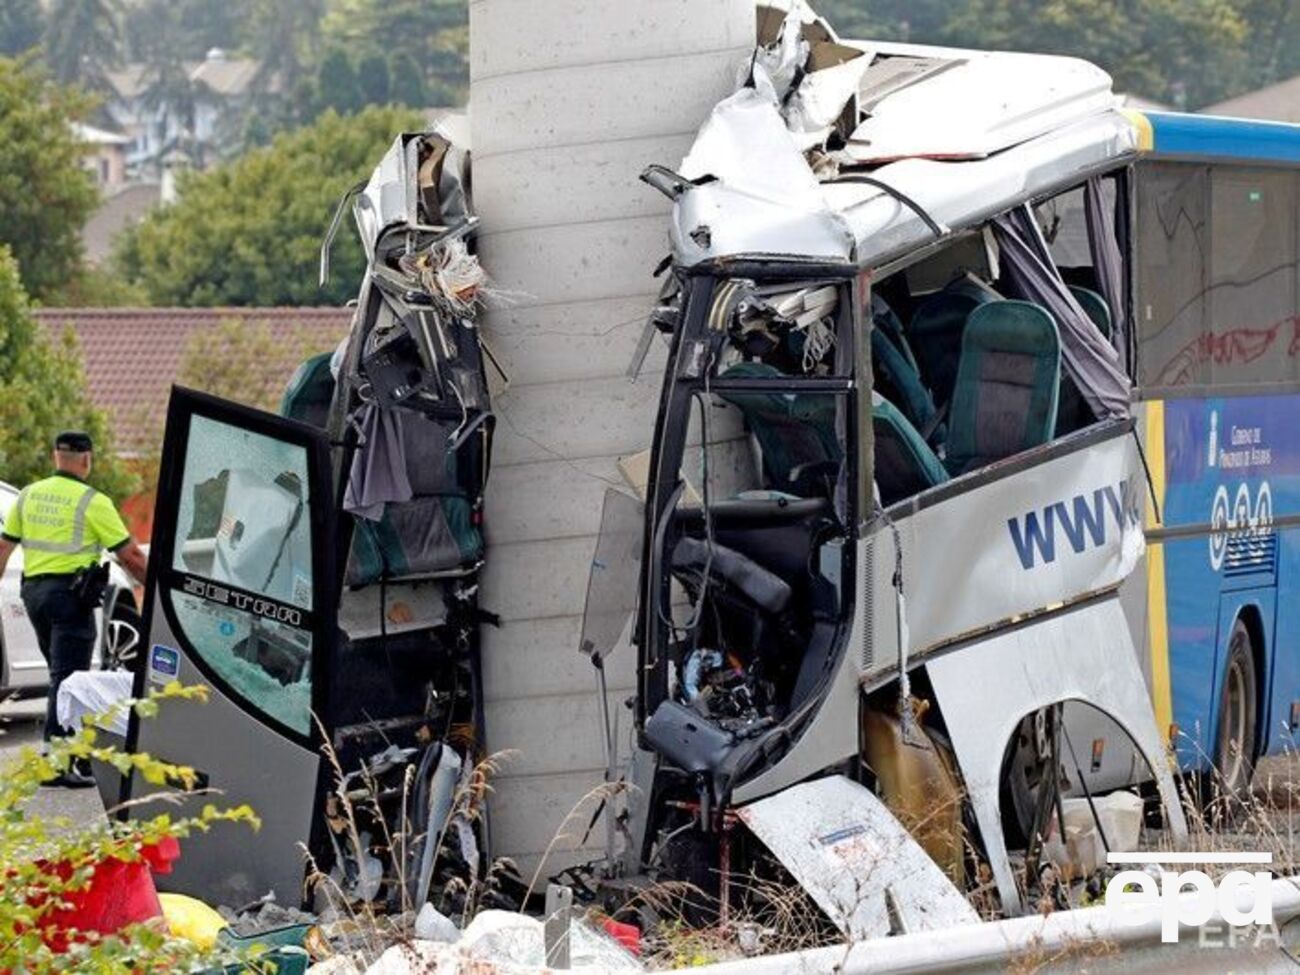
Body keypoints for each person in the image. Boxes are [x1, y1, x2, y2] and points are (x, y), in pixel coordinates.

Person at [0, 432, 148, 787]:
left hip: (34, 595)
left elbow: (3, 549)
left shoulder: (28, 496)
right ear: (87, 459)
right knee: (67, 678)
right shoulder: (92, 501)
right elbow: (130, 555)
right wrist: (160, 590)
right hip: (70, 598)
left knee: (59, 673)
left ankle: (73, 757)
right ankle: (58, 763)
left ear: (56, 456)